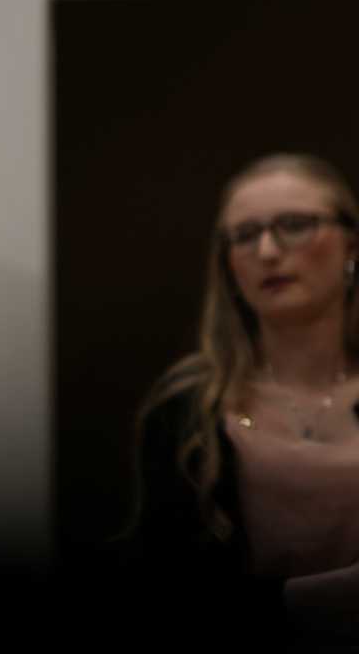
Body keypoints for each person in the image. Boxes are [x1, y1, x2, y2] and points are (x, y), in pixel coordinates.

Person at [131, 153, 359, 644]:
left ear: (350, 243)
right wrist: (315, 599)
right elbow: (162, 593)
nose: (269, 251)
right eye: (245, 235)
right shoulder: (188, 409)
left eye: (295, 225)